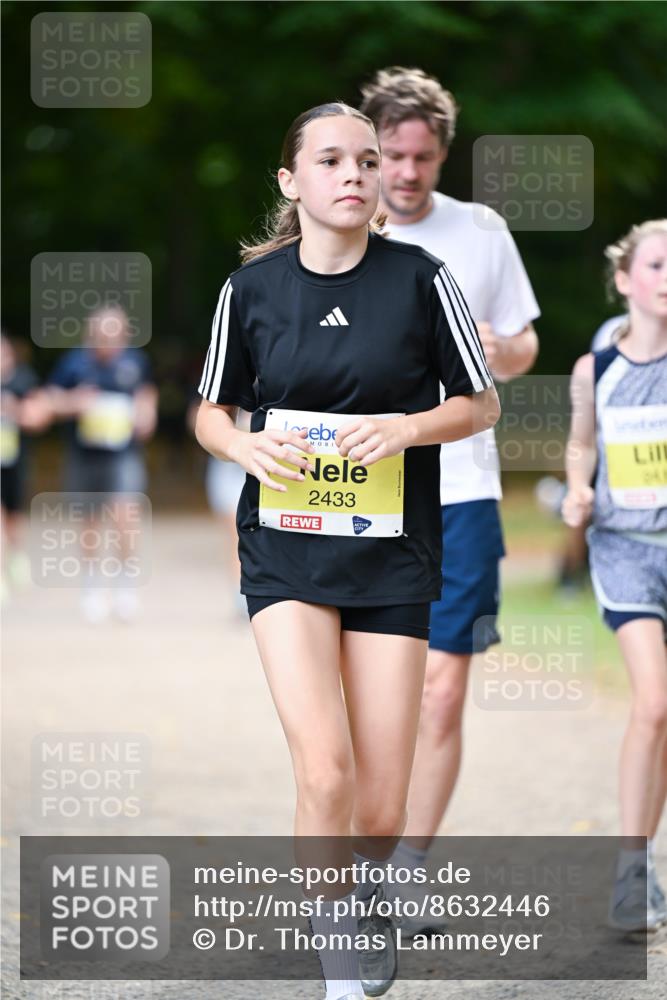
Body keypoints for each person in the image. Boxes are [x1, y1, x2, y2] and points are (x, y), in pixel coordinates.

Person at [195, 102, 500, 1000]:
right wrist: (242, 446)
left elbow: (480, 403)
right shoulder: (250, 290)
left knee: (379, 807)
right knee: (323, 771)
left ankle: (367, 886)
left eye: (366, 161)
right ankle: (337, 976)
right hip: (285, 552)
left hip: (391, 557)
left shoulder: (421, 280)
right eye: (330, 160)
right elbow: (211, 412)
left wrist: (404, 428)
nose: (355, 175)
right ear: (290, 181)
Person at [358, 66, 539, 923]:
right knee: (367, 694)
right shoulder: (340, 226)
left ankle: (406, 868)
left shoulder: (479, 230)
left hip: (461, 489)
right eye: (391, 154)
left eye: (421, 157)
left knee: (439, 691)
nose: (405, 172)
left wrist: (502, 352)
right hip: (360, 493)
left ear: (441, 154)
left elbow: (524, 344)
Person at [562, 219, 667, 932]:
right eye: (656, 265)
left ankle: (643, 863)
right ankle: (631, 871)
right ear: (625, 280)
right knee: (653, 704)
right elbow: (580, 446)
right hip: (625, 549)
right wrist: (577, 489)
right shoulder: (594, 369)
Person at [44, 305, 157, 623]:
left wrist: (146, 415)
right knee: (89, 523)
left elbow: (147, 396)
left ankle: (125, 587)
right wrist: (73, 403)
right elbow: (49, 399)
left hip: (124, 454)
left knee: (125, 517)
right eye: (104, 335)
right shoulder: (73, 363)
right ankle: (92, 587)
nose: (109, 342)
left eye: (116, 335)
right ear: (92, 335)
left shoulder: (136, 362)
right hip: (84, 455)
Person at [1, 332, 45, 600]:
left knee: (12, 519)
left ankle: (15, 555)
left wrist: (14, 410)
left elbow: (37, 417)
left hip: (14, 462)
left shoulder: (23, 380)